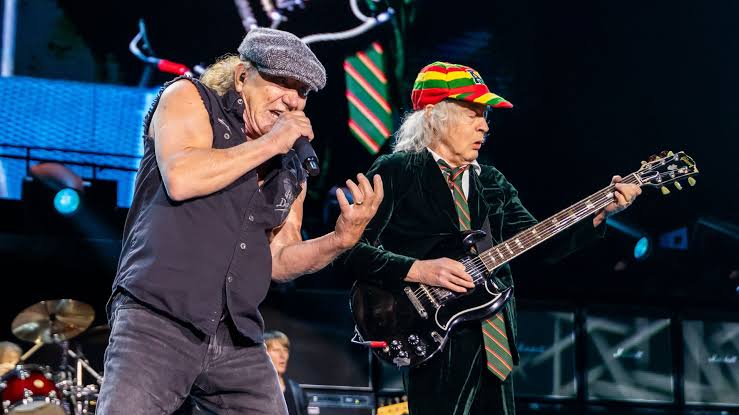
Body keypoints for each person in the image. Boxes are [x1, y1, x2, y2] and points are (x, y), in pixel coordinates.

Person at [97, 28, 384, 414]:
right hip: (157, 318)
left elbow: (279, 260)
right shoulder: (189, 98)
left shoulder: (291, 166)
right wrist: (272, 143)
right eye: (281, 83)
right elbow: (182, 177)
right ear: (242, 76)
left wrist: (340, 240)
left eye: (302, 92)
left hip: (237, 335)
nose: (292, 99)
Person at [341, 61, 642, 415]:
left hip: (495, 338)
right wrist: (418, 269)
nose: (484, 125)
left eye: (485, 116)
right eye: (473, 114)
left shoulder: (492, 182)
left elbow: (540, 246)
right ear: (434, 116)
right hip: (433, 337)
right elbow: (350, 250)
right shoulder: (396, 172)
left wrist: (601, 212)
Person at [264, 330, 309, 415]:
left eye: (285, 350)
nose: (282, 355)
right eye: (276, 350)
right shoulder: (254, 389)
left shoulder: (296, 391)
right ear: (264, 354)